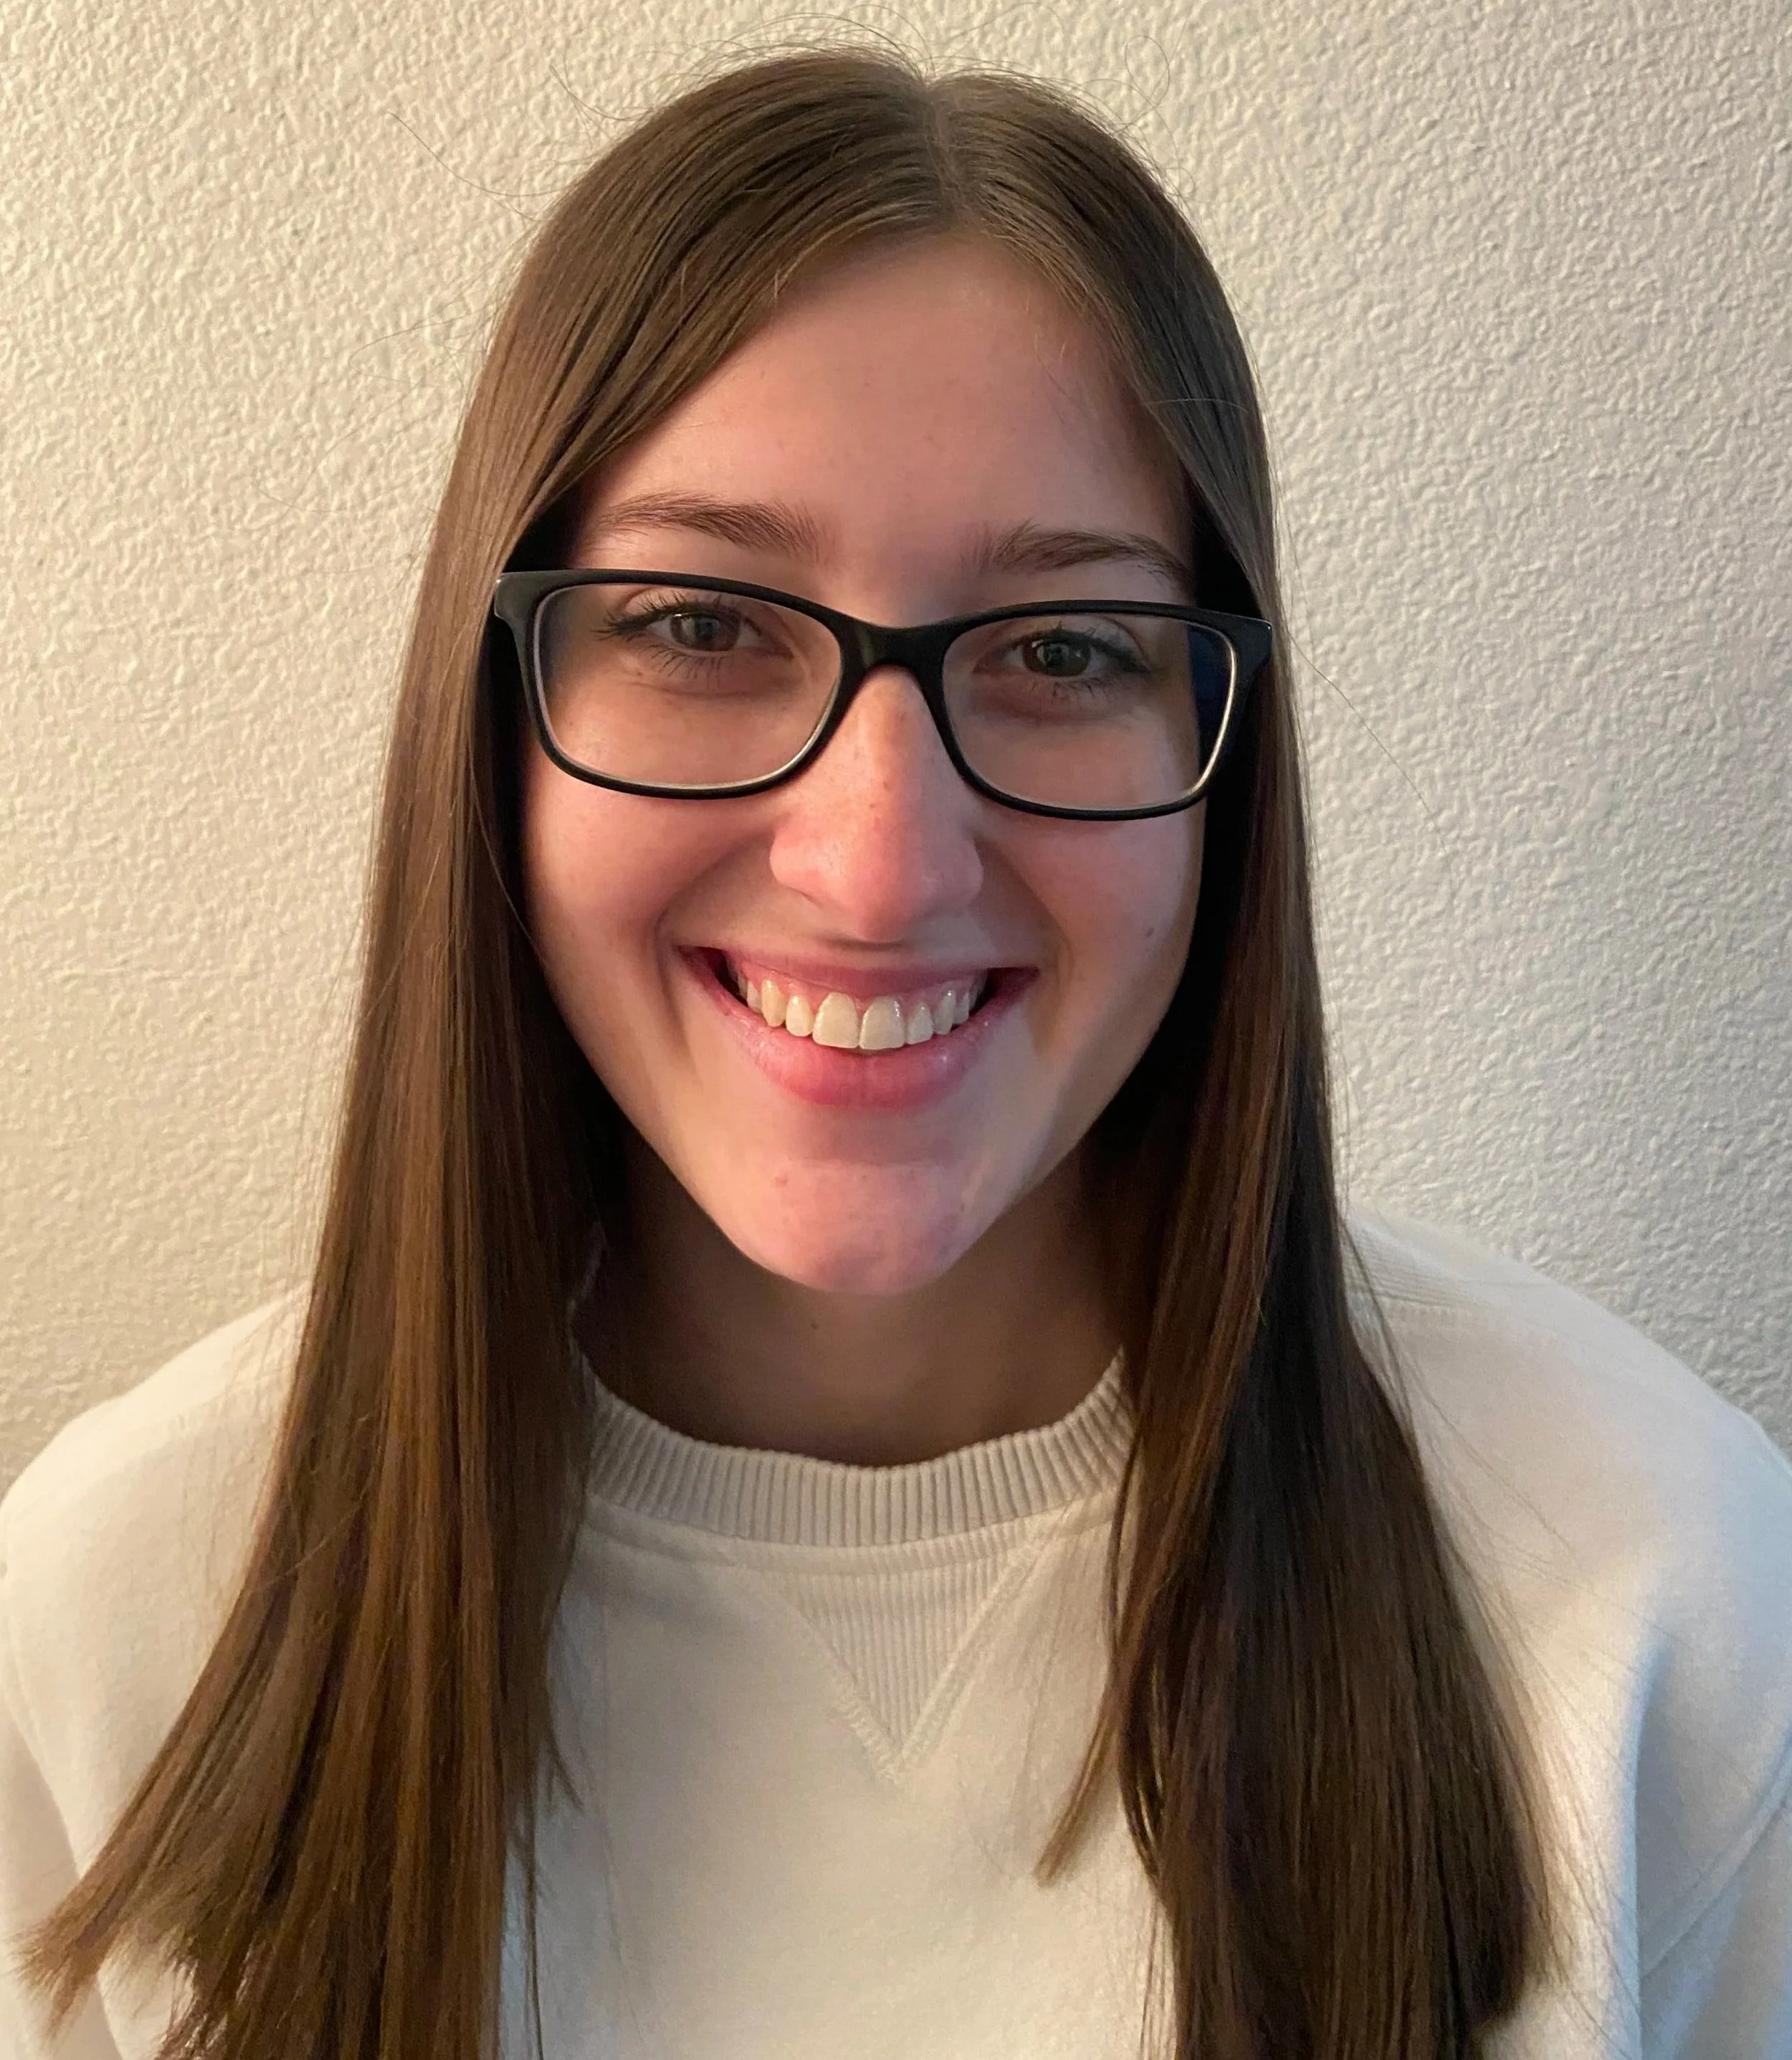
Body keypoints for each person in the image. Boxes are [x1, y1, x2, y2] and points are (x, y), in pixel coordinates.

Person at [3, 45, 1789, 2060]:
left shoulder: (1652, 1599)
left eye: (1062, 653)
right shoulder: (109, 1621)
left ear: (1226, 767)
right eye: (696, 624)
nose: (873, 866)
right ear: (492, 722)